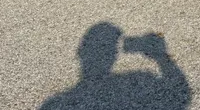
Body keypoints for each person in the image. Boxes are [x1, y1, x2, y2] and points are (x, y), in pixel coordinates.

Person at [40, 22, 191, 109]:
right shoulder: (142, 78)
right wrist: (160, 57)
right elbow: (180, 93)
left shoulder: (54, 104)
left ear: (80, 53)